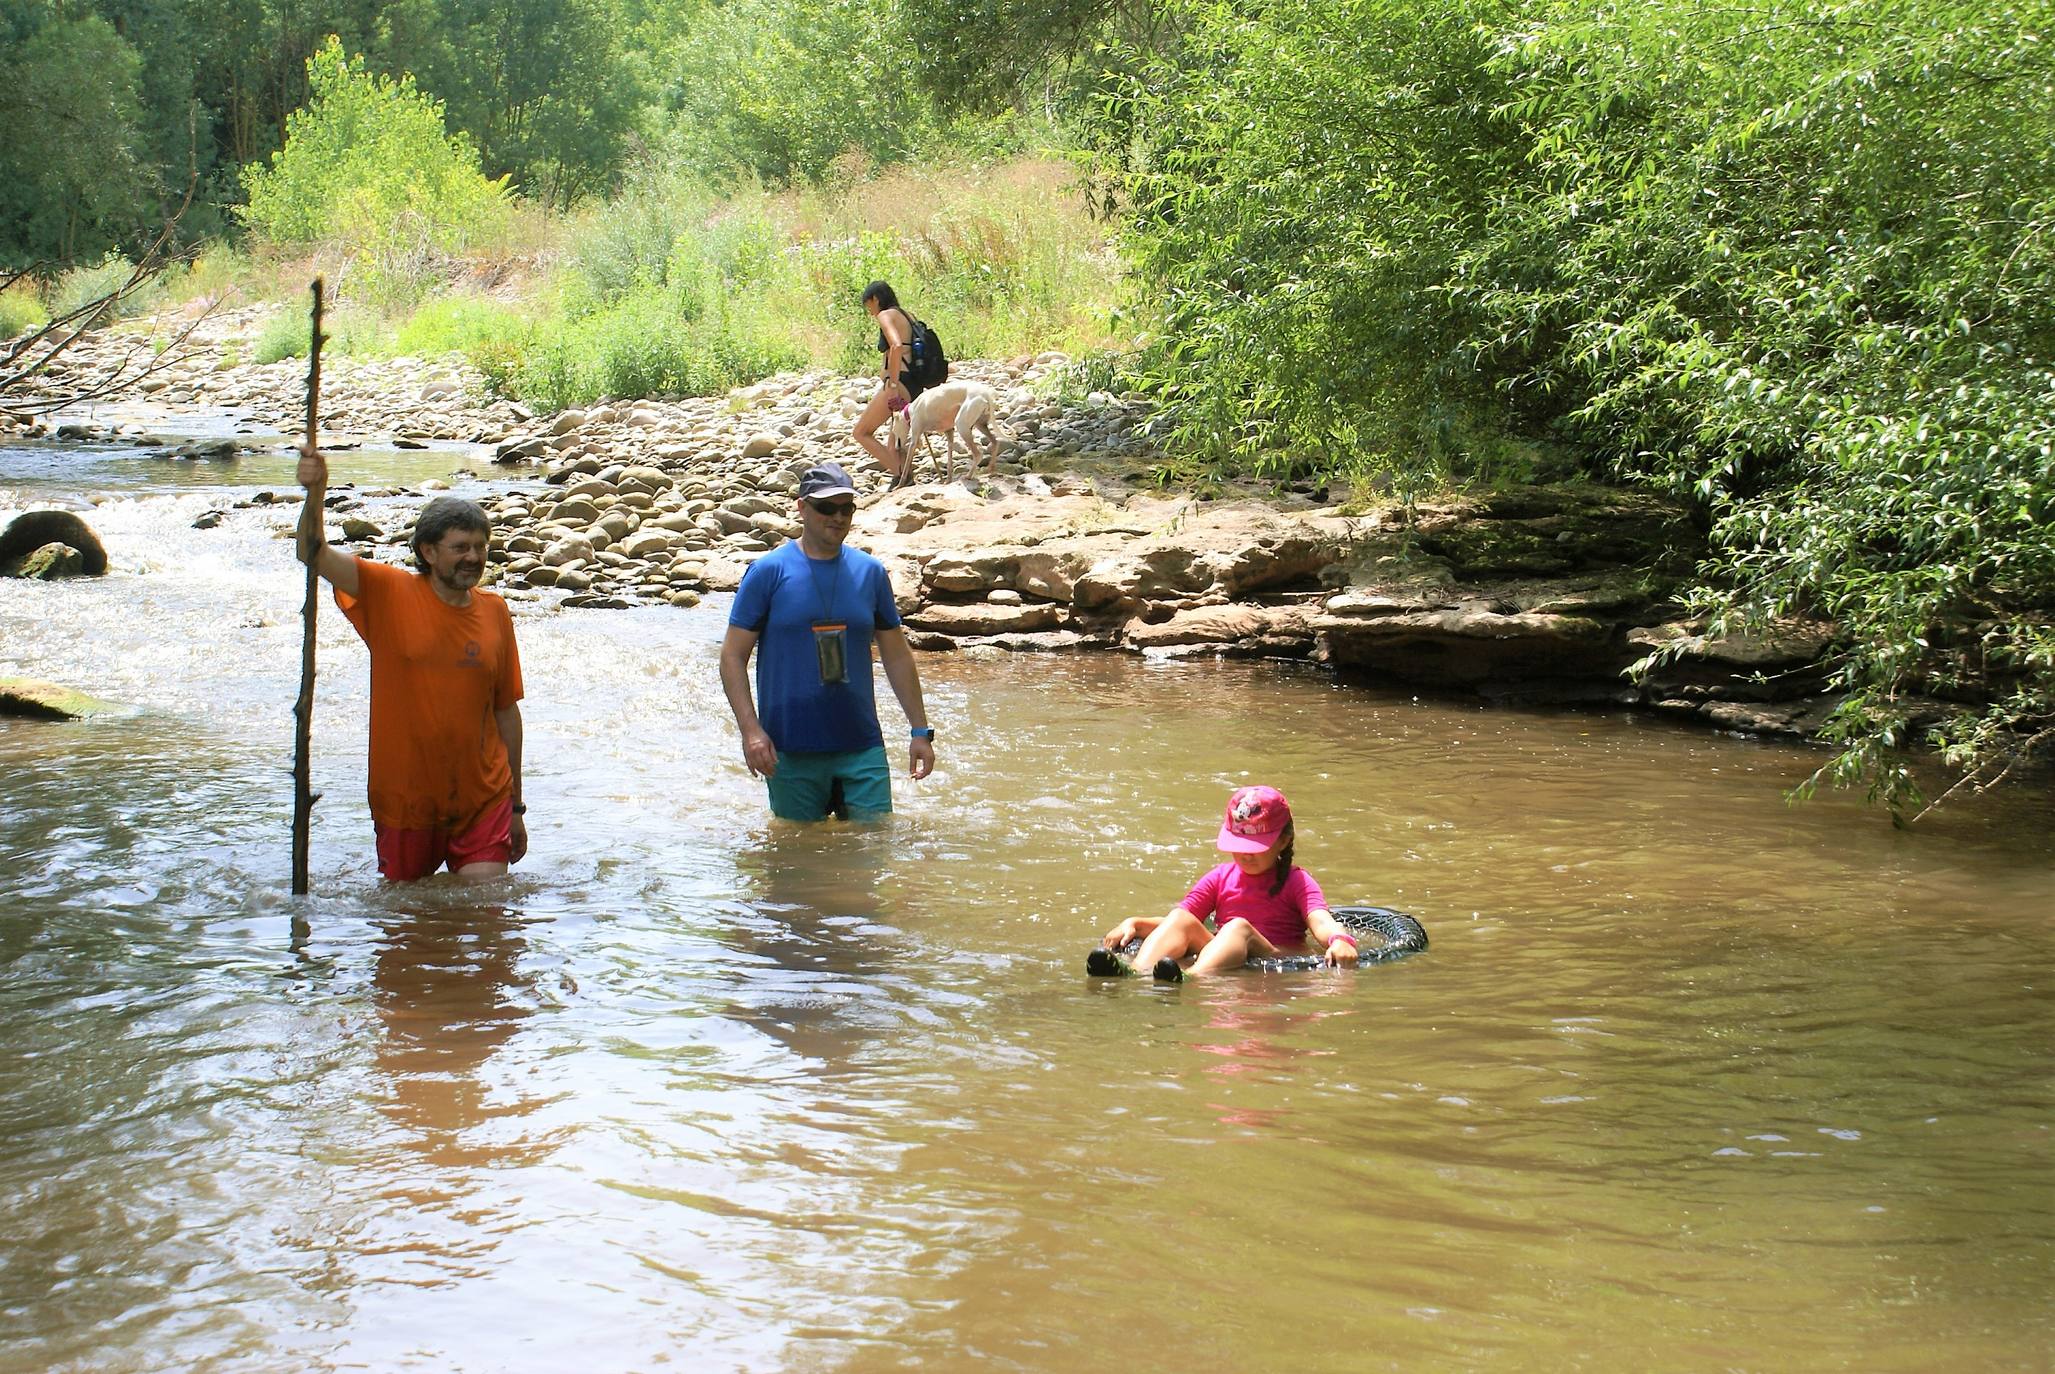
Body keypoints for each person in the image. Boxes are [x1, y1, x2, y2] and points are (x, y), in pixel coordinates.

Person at [296, 445, 527, 881]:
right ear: (428, 551)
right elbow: (313, 553)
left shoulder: (495, 610)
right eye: (460, 547)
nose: (474, 558)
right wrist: (316, 491)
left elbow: (506, 712)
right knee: (406, 929)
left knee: (489, 919)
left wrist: (516, 805)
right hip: (406, 798)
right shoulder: (387, 591)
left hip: (483, 795)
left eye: (480, 546)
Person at [719, 461, 936, 821]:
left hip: (861, 744)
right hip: (790, 749)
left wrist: (919, 731)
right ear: (802, 508)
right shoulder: (767, 573)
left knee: (874, 853)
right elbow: (731, 657)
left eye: (846, 508)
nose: (837, 517)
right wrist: (751, 731)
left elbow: (897, 655)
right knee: (799, 863)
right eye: (826, 507)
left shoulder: (871, 573)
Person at [1087, 785, 1360, 982]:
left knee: (1237, 927)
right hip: (1222, 950)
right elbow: (1181, 923)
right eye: (1239, 845)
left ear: (1284, 840)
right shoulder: (1220, 876)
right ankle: (1134, 971)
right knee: (1182, 917)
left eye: (1256, 846)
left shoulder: (1297, 880)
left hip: (1273, 957)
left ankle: (1188, 977)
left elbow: (1321, 921)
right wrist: (1135, 923)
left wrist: (1339, 940)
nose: (1245, 854)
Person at [851, 280, 927, 485]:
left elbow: (896, 346)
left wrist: (892, 385)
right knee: (896, 443)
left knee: (861, 432)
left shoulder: (886, 315)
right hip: (914, 385)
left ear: (875, 299)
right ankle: (903, 480)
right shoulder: (907, 315)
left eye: (869, 306)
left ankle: (902, 476)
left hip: (899, 384)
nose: (871, 312)